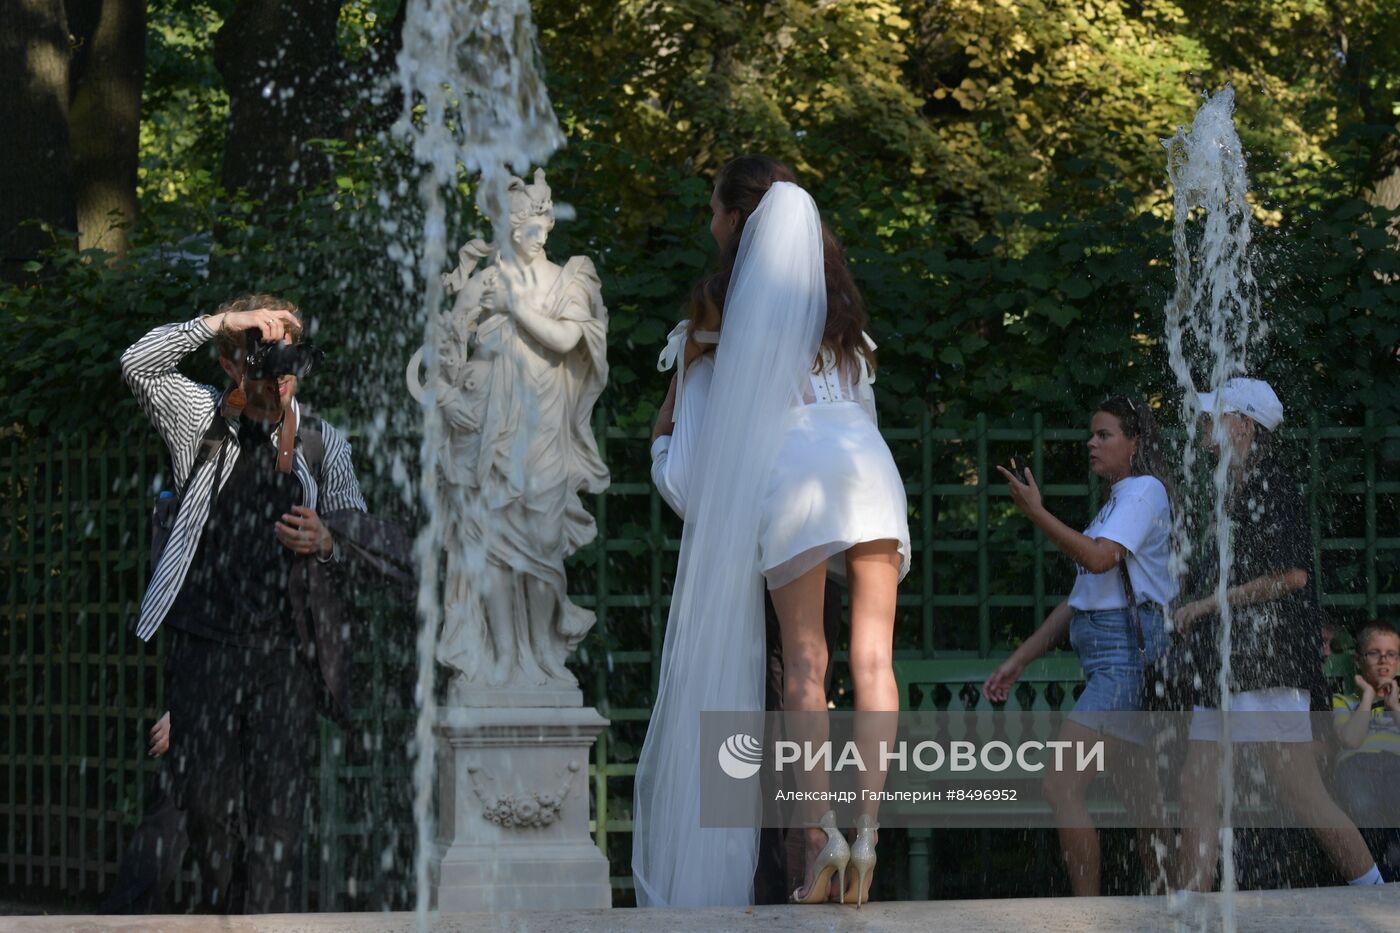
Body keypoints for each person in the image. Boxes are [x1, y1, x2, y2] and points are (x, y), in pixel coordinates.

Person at [631, 157, 910, 908]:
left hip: (799, 478)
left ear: (739, 221)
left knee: (806, 666)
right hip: (867, 465)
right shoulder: (843, 323)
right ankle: (870, 831)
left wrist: (663, 429)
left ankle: (818, 834)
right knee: (875, 658)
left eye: (714, 209)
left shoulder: (726, 325)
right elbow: (863, 409)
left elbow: (697, 482)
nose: (708, 223)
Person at [119, 296, 367, 912]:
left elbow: (358, 544)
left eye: (289, 360)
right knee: (201, 804)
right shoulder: (198, 417)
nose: (279, 374)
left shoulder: (321, 443)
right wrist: (221, 324)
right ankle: (230, 908)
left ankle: (260, 921)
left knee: (279, 820)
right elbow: (139, 364)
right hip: (203, 648)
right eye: (263, 355)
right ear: (232, 364)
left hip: (285, 655)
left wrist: (330, 541)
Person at [1171, 377, 1384, 892]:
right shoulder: (1239, 485)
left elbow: (1293, 577)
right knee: (1196, 788)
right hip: (1233, 667)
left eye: (1215, 415)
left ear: (1243, 425)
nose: (1205, 425)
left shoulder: (1273, 484)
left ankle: (1378, 893)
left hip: (1264, 666)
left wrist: (1206, 603)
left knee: (1302, 794)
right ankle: (1184, 907)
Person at [983, 395, 1175, 895]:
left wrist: (1036, 513)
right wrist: (1018, 661)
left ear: (1135, 443)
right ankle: (1172, 907)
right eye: (1092, 433)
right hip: (1114, 659)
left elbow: (1096, 561)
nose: (1092, 442)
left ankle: (1088, 914)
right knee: (1143, 803)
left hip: (1123, 662)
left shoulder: (1143, 492)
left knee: (1061, 784)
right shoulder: (1120, 499)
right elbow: (1078, 602)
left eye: (1105, 434)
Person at [1331, 623, 1400, 875]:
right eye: (1374, 653)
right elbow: (1350, 740)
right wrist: (1368, 697)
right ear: (1358, 660)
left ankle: (1391, 867)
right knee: (1362, 805)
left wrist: (1394, 707)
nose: (1384, 660)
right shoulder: (1345, 702)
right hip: (1356, 766)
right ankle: (1372, 871)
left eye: (1391, 654)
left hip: (1396, 764)